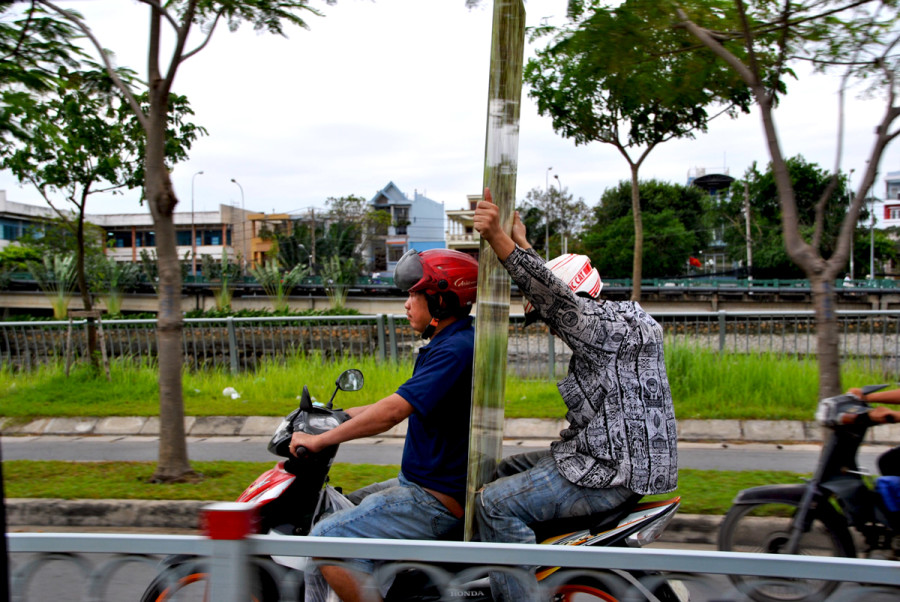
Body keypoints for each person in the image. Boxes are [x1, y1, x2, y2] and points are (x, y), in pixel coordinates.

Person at [472, 188, 678, 601]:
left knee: (494, 503)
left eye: (550, 319)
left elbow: (555, 297)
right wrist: (525, 242)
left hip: (608, 471)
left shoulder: (595, 328)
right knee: (501, 471)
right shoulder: (628, 319)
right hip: (622, 462)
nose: (552, 328)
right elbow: (557, 291)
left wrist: (498, 237)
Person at [291, 248, 478, 602]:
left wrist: (321, 440)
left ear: (439, 300)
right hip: (422, 486)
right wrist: (341, 415)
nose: (407, 304)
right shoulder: (452, 343)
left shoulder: (453, 351)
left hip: (432, 501)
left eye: (413, 294)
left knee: (326, 542)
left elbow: (392, 412)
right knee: (334, 510)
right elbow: (395, 402)